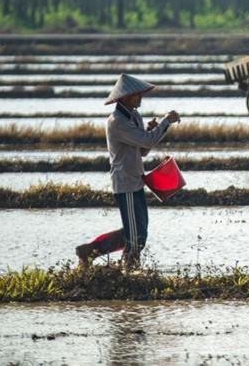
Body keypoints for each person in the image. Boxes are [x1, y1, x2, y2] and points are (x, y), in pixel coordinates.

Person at [75, 73, 180, 268]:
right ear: (124, 97)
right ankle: (130, 270)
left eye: (140, 94)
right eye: (136, 94)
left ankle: (90, 251)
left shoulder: (134, 116)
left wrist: (151, 131)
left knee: (139, 231)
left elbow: (143, 150)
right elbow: (147, 141)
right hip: (125, 183)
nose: (140, 98)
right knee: (135, 235)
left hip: (136, 180)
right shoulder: (117, 122)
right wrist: (165, 122)